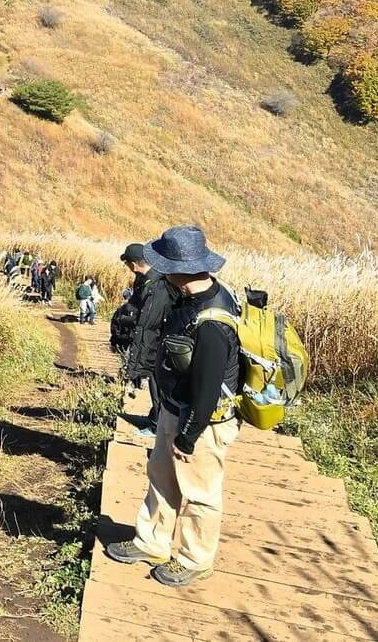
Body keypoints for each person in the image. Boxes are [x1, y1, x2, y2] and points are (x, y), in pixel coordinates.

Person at [104, 226, 240, 589]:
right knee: (161, 476)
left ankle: (195, 559)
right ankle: (152, 542)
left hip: (202, 422)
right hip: (173, 408)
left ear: (180, 268)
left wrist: (189, 436)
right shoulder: (188, 298)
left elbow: (208, 389)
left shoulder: (213, 319)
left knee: (200, 493)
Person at [119, 242, 175, 440]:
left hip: (159, 346)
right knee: (155, 384)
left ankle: (157, 428)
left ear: (134, 264)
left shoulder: (157, 285)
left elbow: (149, 323)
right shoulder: (151, 279)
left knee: (157, 386)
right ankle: (154, 418)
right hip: (158, 343)